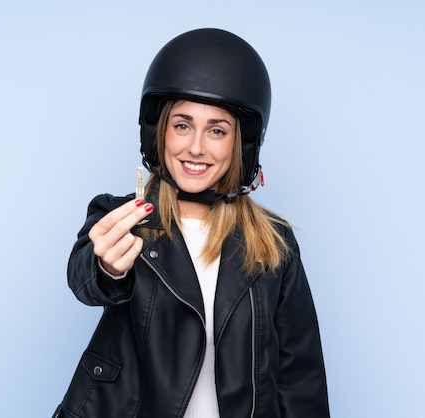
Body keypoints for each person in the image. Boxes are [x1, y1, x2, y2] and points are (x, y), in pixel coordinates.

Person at [53, 28, 330, 418]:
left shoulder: (274, 244)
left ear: (242, 144)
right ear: (159, 131)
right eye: (182, 125)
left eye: (217, 130)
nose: (196, 147)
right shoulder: (121, 217)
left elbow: (301, 378)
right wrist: (107, 267)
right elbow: (84, 275)